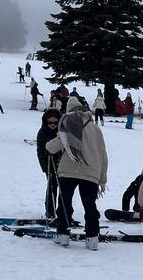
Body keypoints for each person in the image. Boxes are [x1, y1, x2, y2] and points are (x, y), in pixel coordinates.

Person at [47, 101, 107, 249]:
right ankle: (92, 237)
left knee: (65, 203)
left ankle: (63, 235)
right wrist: (102, 178)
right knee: (90, 206)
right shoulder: (96, 129)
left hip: (69, 170)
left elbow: (54, 147)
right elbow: (103, 155)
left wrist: (47, 145)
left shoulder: (68, 123)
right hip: (91, 172)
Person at [36, 109, 63, 220]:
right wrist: (44, 168)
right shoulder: (42, 133)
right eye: (50, 123)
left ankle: (62, 211)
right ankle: (50, 210)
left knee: (63, 189)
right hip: (49, 164)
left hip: (62, 164)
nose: (52, 125)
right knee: (52, 187)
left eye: (55, 123)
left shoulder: (62, 131)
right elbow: (40, 151)